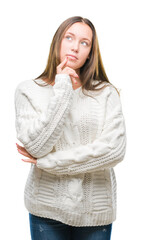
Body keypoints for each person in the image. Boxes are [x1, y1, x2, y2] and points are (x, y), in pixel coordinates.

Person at [14, 16, 126, 240]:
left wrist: (50, 163)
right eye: (69, 37)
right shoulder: (28, 90)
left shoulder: (106, 93)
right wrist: (62, 86)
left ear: (90, 53)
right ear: (57, 41)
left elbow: (114, 151)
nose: (75, 47)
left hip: (95, 212)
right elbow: (37, 147)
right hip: (46, 209)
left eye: (84, 43)